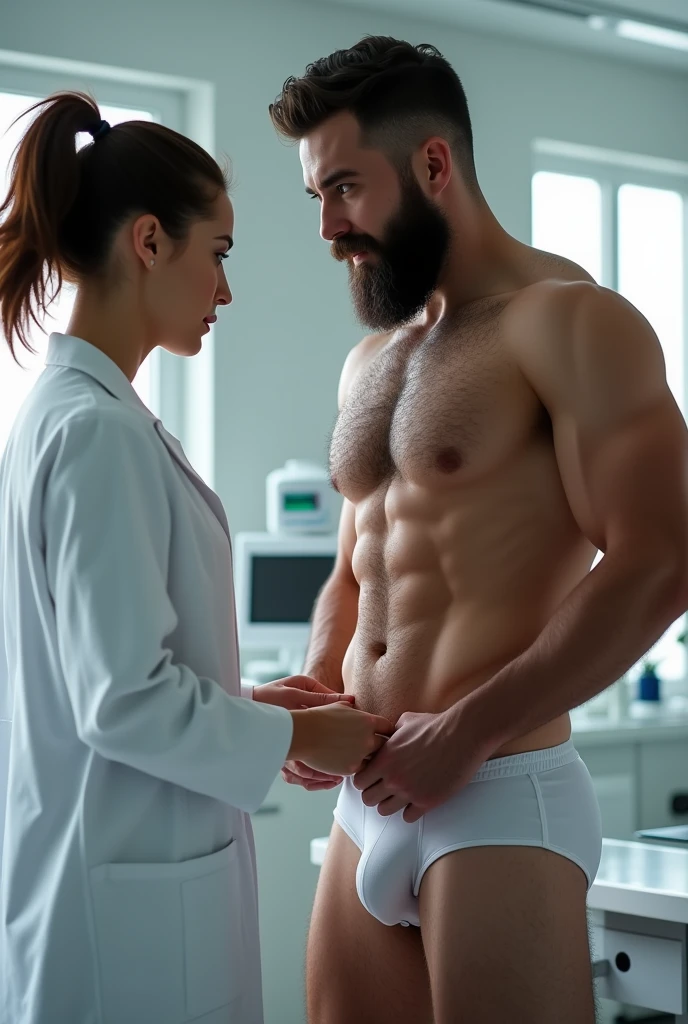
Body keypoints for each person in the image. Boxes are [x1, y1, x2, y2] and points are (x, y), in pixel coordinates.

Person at [269, 36, 688, 1024]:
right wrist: (322, 682)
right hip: (369, 800)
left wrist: (465, 729)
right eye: (315, 198)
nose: (328, 227)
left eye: (344, 189)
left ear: (432, 165)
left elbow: (661, 559)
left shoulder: (573, 323)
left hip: (498, 791)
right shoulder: (371, 360)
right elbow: (355, 564)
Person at [0, 92, 393, 1024]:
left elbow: (100, 674)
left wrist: (249, 704)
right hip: (118, 927)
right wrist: (298, 738)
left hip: (110, 878)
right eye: (216, 254)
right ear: (147, 243)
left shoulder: (78, 418)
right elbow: (123, 700)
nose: (226, 290)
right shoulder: (94, 433)